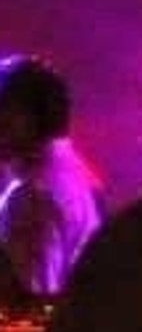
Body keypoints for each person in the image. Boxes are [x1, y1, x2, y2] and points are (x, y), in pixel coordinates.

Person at [0, 54, 103, 299]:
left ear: (29, 117)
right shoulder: (74, 173)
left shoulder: (31, 196)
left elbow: (29, 303)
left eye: (3, 113)